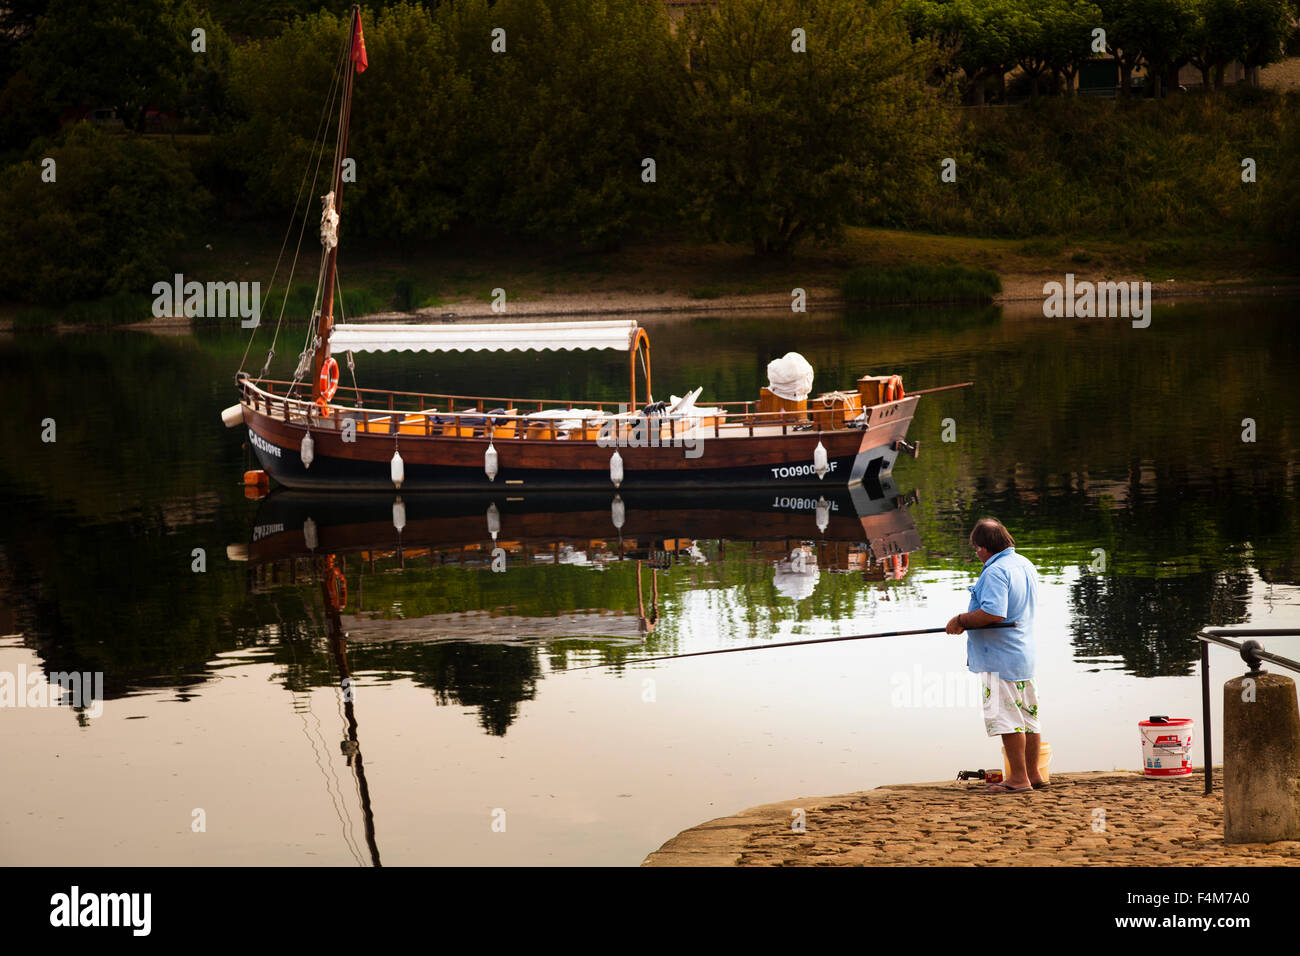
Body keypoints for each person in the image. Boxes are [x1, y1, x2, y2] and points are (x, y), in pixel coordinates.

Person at [945, 517, 1043, 794]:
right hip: (1023, 655)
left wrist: (961, 619)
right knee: (1028, 717)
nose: (976, 553)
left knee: (1008, 719)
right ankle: (1033, 774)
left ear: (985, 547)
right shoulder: (1024, 564)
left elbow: (993, 612)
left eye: (977, 548)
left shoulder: (995, 572)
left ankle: (1018, 779)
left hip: (999, 658)